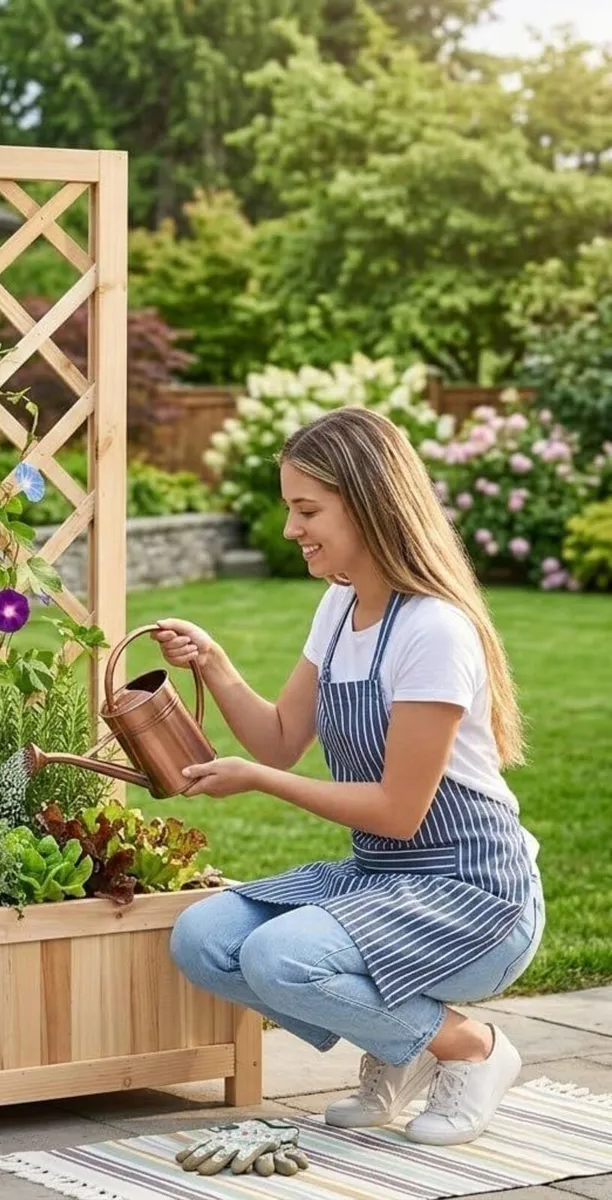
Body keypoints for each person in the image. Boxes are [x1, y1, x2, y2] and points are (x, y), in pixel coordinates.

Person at [154, 406, 544, 1147]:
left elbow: (398, 811)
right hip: (383, 879)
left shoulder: (433, 629)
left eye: (307, 510)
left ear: (367, 502)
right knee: (202, 938)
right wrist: (214, 663)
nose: (290, 529)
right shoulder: (339, 609)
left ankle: (470, 1049)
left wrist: (259, 784)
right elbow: (277, 741)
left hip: (471, 894)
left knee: (281, 957)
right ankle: (405, 1050)